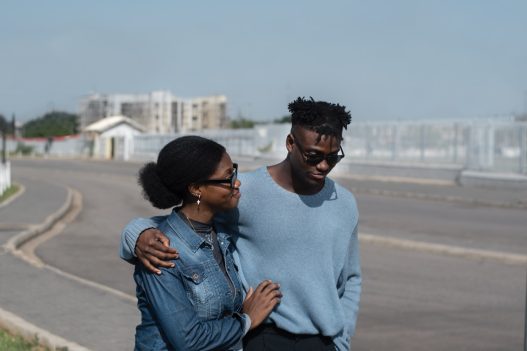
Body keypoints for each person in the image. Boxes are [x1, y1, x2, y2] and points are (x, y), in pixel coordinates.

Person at [121, 97, 361, 351]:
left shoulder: (344, 203)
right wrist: (138, 234)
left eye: (332, 158)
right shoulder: (241, 193)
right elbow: (181, 220)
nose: (323, 166)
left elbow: (351, 277)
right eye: (313, 156)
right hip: (263, 337)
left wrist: (341, 342)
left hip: (322, 343)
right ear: (290, 143)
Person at [129, 135, 282, 350]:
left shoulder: (220, 236)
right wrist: (247, 320)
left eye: (234, 171)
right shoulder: (161, 250)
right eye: (228, 177)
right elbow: (188, 339)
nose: (236, 183)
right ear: (196, 189)